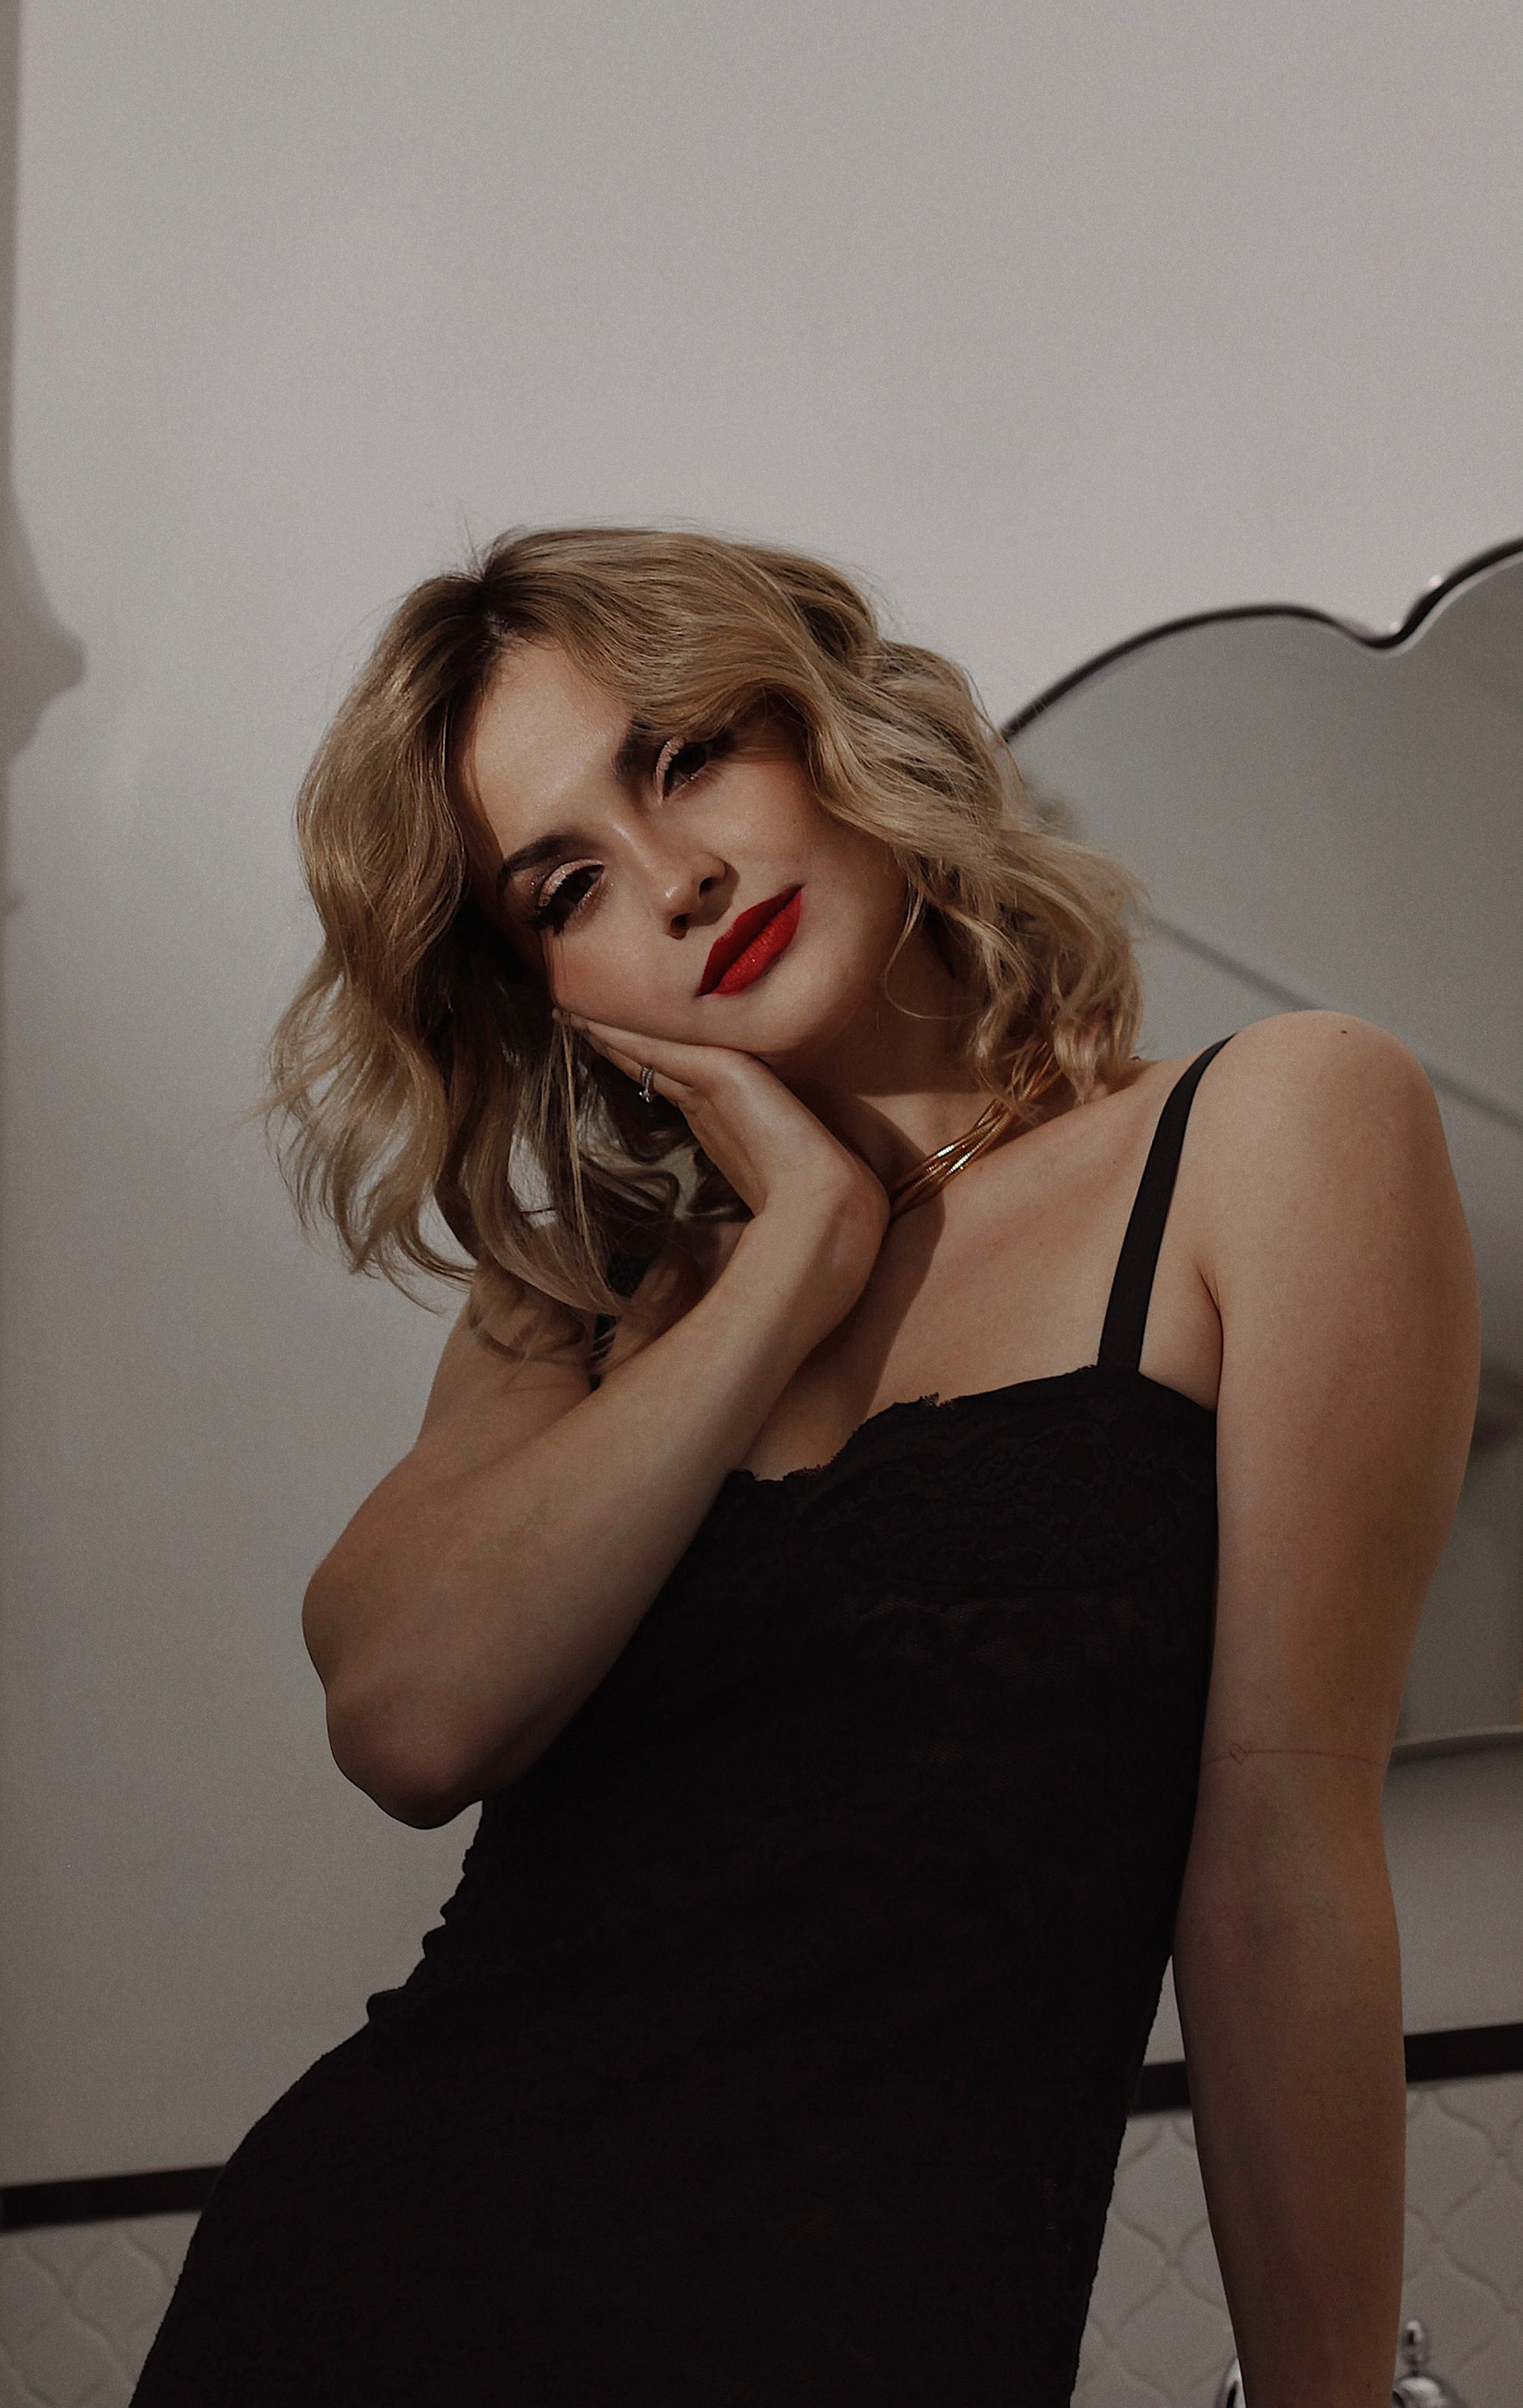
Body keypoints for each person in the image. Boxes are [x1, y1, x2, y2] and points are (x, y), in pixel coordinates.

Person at [133, 527, 1480, 2406]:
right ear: (557, 997)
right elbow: (409, 1722)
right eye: (568, 884)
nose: (677, 880)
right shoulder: (579, 1305)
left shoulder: (1269, 1132)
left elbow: (1276, 1872)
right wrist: (795, 1255)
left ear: (833, 729)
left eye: (686, 756)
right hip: (354, 2314)